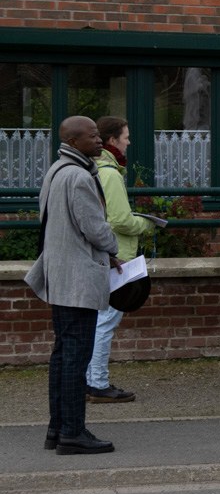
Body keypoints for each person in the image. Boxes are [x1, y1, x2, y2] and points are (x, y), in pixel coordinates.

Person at [26, 117, 119, 454]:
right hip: (77, 279)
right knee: (75, 356)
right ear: (74, 140)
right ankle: (73, 433)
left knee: (63, 354)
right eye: (93, 136)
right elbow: (94, 227)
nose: (99, 140)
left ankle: (58, 429)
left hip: (61, 274)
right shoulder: (79, 176)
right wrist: (113, 248)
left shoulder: (56, 170)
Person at [85, 115, 159, 404]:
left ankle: (90, 380)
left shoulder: (94, 168)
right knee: (106, 321)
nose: (129, 142)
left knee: (97, 320)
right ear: (113, 140)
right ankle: (98, 383)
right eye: (125, 137)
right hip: (117, 255)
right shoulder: (111, 173)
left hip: (101, 254)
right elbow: (119, 220)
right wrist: (147, 224)